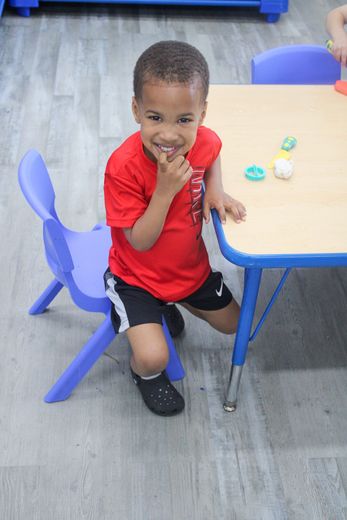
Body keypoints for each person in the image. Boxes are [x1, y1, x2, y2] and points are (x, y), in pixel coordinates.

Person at [104, 41, 246, 417]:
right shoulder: (122, 167)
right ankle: (144, 376)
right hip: (135, 277)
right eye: (155, 118)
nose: (169, 134)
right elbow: (140, 241)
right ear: (136, 110)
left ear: (201, 113)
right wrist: (165, 192)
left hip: (187, 269)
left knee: (237, 325)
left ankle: (170, 301)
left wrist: (215, 189)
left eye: (184, 119)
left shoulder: (203, 140)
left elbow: (213, 151)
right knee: (153, 357)